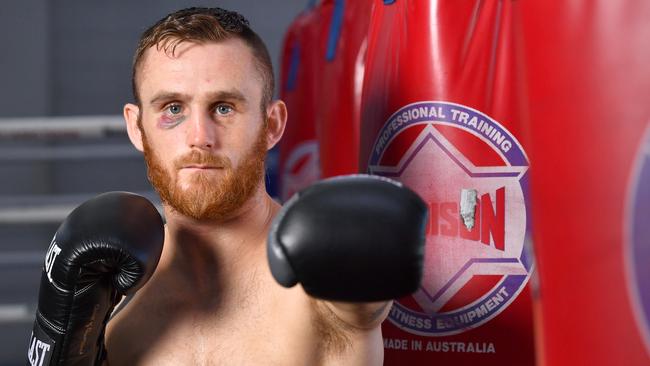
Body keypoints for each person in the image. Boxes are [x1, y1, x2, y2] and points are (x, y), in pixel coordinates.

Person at [100, 7, 423, 365]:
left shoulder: (318, 280)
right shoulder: (108, 292)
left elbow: (363, 303)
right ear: (136, 127)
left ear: (272, 125)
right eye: (173, 108)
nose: (199, 138)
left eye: (223, 108)